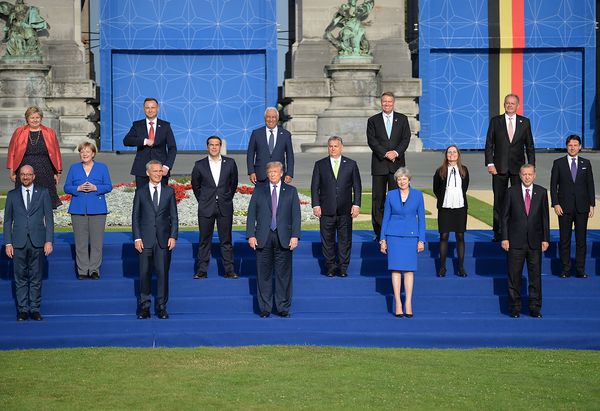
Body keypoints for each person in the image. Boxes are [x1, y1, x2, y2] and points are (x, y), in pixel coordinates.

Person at [247, 161, 301, 318]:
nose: (272, 174)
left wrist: (295, 236)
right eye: (270, 172)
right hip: (263, 237)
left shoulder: (291, 191)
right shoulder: (259, 191)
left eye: (275, 172)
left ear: (281, 173)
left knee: (283, 275)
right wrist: (251, 235)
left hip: (284, 237)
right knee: (263, 274)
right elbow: (251, 214)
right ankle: (265, 307)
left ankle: (283, 307)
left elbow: (296, 215)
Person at [3, 165, 54, 321]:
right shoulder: (12, 195)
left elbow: (49, 219)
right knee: (20, 278)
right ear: (19, 176)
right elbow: (7, 221)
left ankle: (35, 309)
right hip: (18, 243)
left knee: (36, 277)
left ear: (34, 176)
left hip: (38, 242)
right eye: (22, 174)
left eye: (28, 174)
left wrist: (49, 240)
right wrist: (8, 243)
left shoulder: (43, 193)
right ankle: (23, 310)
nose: (25, 177)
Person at [485, 93, 535, 241]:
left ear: (518, 105)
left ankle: (517, 232)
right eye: (507, 103)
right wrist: (490, 163)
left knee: (518, 201)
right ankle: (498, 233)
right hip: (499, 169)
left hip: (518, 170)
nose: (510, 105)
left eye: (513, 103)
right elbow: (489, 144)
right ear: (504, 105)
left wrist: (531, 167)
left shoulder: (524, 122)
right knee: (499, 201)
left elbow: (530, 146)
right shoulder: (496, 121)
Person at [132, 160, 178, 320]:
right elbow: (135, 217)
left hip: (163, 240)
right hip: (145, 240)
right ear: (148, 173)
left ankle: (161, 307)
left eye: (160, 171)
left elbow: (174, 216)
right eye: (155, 171)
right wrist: (137, 237)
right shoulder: (140, 192)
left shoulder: (169, 192)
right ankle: (144, 307)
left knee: (162, 274)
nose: (158, 174)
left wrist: (173, 236)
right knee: (144, 274)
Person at [501, 164, 549, 318]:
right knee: (514, 276)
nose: (527, 177)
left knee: (535, 277)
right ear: (520, 175)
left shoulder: (541, 192)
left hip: (535, 242)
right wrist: (505, 238)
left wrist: (545, 239)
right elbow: (505, 217)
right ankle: (515, 308)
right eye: (524, 174)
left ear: (534, 175)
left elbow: (544, 218)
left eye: (530, 174)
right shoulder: (511, 192)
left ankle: (535, 307)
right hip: (515, 242)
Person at [310, 136, 362, 277]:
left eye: (335, 146)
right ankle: (331, 267)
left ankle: (343, 267)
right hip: (326, 209)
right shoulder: (320, 164)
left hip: (345, 209)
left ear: (341, 147)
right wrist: (316, 205)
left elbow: (357, 186)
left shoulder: (351, 164)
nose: (333, 149)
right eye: (330, 146)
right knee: (327, 239)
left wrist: (356, 204)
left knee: (345, 239)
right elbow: (315, 187)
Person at [191, 136, 239, 279]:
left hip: (225, 206)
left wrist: (226, 197)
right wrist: (204, 199)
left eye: (216, 145)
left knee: (226, 240)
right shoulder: (199, 165)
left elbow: (233, 183)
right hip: (206, 207)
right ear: (207, 146)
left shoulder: (230, 163)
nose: (214, 147)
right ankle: (202, 271)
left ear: (220, 146)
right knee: (204, 240)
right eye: (211, 145)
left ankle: (229, 270)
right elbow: (196, 186)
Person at [379, 168, 425, 318]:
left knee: (409, 271)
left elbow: (422, 220)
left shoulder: (418, 195)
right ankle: (398, 302)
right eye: (399, 179)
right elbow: (385, 217)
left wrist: (421, 240)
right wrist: (383, 239)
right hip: (393, 236)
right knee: (396, 270)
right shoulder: (391, 195)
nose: (402, 181)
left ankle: (408, 303)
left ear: (409, 180)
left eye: (404, 179)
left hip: (411, 237)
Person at [63, 142, 113, 280]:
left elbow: (108, 186)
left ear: (93, 154)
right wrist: (77, 188)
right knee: (80, 243)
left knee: (97, 242)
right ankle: (83, 270)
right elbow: (67, 187)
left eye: (87, 151)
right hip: (78, 209)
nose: (84, 154)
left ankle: (94, 270)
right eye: (82, 151)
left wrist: (96, 188)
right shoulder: (74, 168)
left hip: (97, 209)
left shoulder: (102, 168)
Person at [367, 92, 411, 241]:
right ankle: (379, 232)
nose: (387, 104)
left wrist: (396, 152)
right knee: (378, 199)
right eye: (384, 101)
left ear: (394, 103)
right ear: (381, 103)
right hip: (379, 165)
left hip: (397, 167)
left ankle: (395, 229)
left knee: (397, 199)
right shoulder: (373, 120)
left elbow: (406, 139)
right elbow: (372, 141)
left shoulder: (403, 119)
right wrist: (386, 153)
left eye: (389, 102)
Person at [550, 135, 595, 279]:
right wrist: (555, 203)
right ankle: (565, 269)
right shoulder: (558, 163)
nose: (573, 147)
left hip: (582, 207)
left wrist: (592, 204)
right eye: (570, 145)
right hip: (564, 208)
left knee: (581, 240)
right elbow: (553, 186)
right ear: (566, 146)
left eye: (576, 145)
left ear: (580, 147)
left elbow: (590, 185)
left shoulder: (586, 163)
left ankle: (580, 270)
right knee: (565, 239)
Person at [7, 106, 62, 208]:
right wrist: (12, 171)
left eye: (37, 117)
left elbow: (56, 153)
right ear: (27, 118)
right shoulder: (19, 132)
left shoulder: (50, 132)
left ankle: (45, 223)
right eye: (32, 117)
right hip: (24, 170)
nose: (35, 120)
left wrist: (57, 172)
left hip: (45, 170)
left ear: (41, 118)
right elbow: (12, 152)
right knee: (24, 202)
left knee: (46, 202)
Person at [433, 145, 470, 277]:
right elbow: (436, 189)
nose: (452, 154)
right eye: (449, 152)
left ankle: (460, 267)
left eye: (454, 152)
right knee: (444, 236)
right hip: (445, 207)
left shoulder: (464, 170)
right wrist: (445, 199)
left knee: (460, 236)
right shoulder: (440, 171)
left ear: (458, 155)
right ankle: (442, 267)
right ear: (446, 155)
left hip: (460, 207)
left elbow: (464, 187)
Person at [123, 98, 177, 187]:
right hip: (142, 169)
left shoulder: (165, 126)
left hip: (160, 169)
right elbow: (126, 141)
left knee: (161, 198)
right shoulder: (137, 125)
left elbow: (172, 148)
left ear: (157, 108)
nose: (150, 110)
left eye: (153, 107)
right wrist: (144, 141)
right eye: (147, 107)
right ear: (144, 109)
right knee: (142, 197)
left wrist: (167, 166)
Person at [246, 107, 294, 185]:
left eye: (273, 117)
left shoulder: (285, 134)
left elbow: (290, 156)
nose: (271, 120)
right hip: (260, 175)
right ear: (265, 118)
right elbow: (250, 154)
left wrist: (289, 173)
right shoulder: (256, 133)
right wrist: (251, 172)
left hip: (279, 175)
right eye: (268, 117)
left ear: (277, 118)